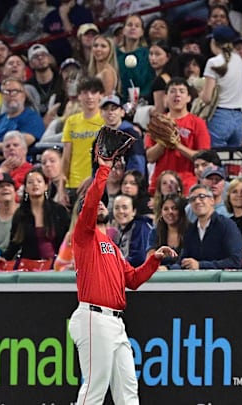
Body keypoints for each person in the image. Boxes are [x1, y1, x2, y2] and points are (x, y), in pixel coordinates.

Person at [68, 155, 177, 405]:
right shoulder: (84, 236)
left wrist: (154, 260)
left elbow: (132, 279)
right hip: (94, 317)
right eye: (95, 204)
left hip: (115, 322)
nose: (101, 205)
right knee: (95, 386)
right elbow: (93, 198)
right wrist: (104, 169)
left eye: (104, 203)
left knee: (128, 390)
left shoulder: (112, 246)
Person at [146, 78, 210, 195]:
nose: (177, 95)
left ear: (189, 98)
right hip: (160, 184)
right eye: (173, 91)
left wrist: (177, 145)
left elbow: (203, 158)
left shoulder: (198, 123)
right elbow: (150, 157)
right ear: (165, 97)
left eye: (182, 91)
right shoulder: (157, 123)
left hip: (187, 185)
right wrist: (163, 142)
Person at [0, 167, 69, 262]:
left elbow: (69, 239)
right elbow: (14, 244)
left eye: (39, 181)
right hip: (29, 266)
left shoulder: (59, 211)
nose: (35, 184)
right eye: (30, 182)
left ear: (46, 186)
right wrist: (3, 258)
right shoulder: (20, 214)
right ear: (26, 188)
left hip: (56, 264)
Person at [175, 184, 242, 269]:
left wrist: (200, 265)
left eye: (202, 196)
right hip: (195, 281)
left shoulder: (227, 226)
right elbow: (183, 261)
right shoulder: (190, 230)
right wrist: (167, 269)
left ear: (212, 200)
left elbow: (235, 262)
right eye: (192, 199)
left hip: (221, 281)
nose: (197, 201)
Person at [201, 25, 242, 147]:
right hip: (238, 118)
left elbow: (207, 98)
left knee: (216, 162)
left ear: (213, 42)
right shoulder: (240, 60)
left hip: (220, 117)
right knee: (234, 163)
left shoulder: (213, 62)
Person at [62, 77, 105, 197]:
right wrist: (61, 188)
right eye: (85, 92)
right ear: (79, 96)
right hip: (74, 184)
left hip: (98, 182)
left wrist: (94, 177)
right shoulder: (71, 121)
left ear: (101, 95)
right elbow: (66, 157)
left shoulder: (106, 121)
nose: (89, 97)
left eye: (94, 92)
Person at [146, 193, 188, 269]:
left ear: (181, 211)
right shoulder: (155, 232)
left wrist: (167, 268)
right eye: (166, 209)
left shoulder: (191, 230)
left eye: (174, 208)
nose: (170, 212)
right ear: (161, 212)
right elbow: (150, 259)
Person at [112, 193, 152, 267]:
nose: (120, 211)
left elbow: (139, 259)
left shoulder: (141, 227)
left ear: (134, 211)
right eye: (116, 208)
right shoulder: (119, 231)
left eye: (125, 208)